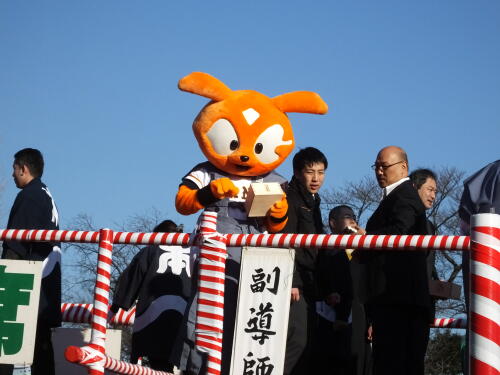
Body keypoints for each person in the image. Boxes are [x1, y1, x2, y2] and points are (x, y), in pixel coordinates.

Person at [360, 146, 430, 375]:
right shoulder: (397, 196)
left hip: (398, 298)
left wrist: (366, 239)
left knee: (394, 362)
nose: (379, 171)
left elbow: (401, 231)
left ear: (403, 167)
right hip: (395, 298)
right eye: (376, 166)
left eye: (384, 166)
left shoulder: (405, 195)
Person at [1, 148, 61, 375]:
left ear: (23, 168)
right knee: (41, 347)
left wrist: (4, 283)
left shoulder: (30, 195)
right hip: (46, 279)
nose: (13, 175)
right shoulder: (46, 193)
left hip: (27, 281)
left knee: (7, 343)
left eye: (14, 169)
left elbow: (15, 244)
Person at [110, 220, 191, 372]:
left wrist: (116, 306)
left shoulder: (150, 251)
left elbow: (132, 278)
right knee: (189, 363)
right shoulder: (194, 252)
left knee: (160, 365)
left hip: (154, 318)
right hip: (187, 318)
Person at [281, 147, 327, 375]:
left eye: (321, 172)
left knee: (307, 343)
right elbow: (286, 241)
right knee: (296, 342)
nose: (316, 178)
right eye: (310, 172)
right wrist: (294, 280)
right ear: (298, 173)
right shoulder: (290, 199)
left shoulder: (313, 200)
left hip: (310, 282)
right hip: (294, 282)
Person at [316, 205, 371, 375]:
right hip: (333, 317)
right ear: (333, 223)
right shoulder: (324, 248)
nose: (353, 220)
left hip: (360, 317)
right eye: (347, 216)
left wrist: (372, 321)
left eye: (354, 216)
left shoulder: (360, 251)